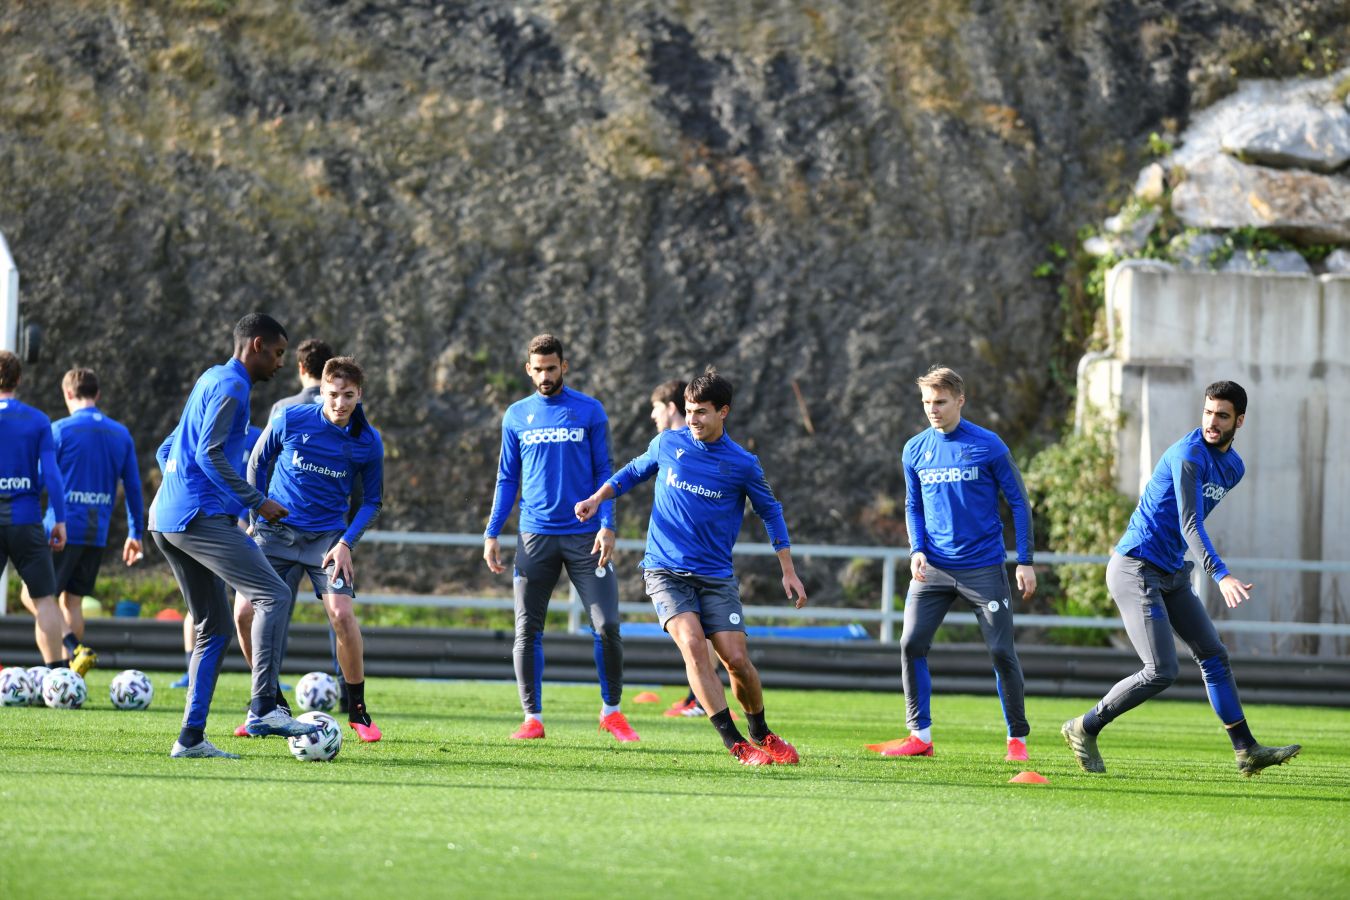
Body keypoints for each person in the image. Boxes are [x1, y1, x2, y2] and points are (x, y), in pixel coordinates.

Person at [1062, 381, 1301, 777]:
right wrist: (1219, 573)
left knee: (1213, 654)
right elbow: (1190, 523)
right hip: (1136, 567)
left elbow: (1187, 526)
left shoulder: (1234, 468)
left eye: (1222, 415)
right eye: (1208, 412)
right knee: (1161, 670)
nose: (1212, 421)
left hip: (1171, 572)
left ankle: (1246, 750)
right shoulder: (1188, 455)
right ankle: (1083, 727)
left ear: (1239, 421)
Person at [575, 370, 806, 766]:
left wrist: (787, 569)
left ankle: (761, 732)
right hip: (664, 571)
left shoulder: (743, 463)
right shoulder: (668, 443)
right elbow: (631, 473)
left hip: (715, 576)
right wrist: (597, 498)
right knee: (694, 646)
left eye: (701, 412)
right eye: (688, 411)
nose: (693, 419)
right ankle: (736, 745)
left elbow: (771, 512)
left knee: (736, 660)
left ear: (723, 412)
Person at [150, 313, 317, 759]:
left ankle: (190, 738)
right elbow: (208, 454)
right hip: (197, 518)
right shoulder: (233, 386)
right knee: (274, 595)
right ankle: (264, 707)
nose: (280, 363)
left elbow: (168, 449)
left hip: (167, 517)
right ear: (257, 345)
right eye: (278, 353)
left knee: (215, 628)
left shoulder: (211, 378)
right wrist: (256, 501)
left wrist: (178, 489)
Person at [870, 366, 1035, 762]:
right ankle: (920, 736)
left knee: (1001, 651)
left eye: (941, 402)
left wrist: (1025, 560)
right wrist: (916, 549)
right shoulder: (914, 449)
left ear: (960, 400)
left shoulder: (989, 445)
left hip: (984, 567)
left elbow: (1019, 503)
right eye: (927, 402)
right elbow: (913, 505)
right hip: (934, 568)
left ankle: (1016, 739)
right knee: (911, 644)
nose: (933, 409)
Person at [483, 333, 638, 743]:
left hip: (586, 537)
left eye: (552, 368)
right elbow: (507, 478)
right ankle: (532, 718)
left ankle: (612, 712)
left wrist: (608, 524)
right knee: (526, 630)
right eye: (538, 369)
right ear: (528, 369)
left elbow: (605, 471)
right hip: (535, 537)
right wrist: (492, 531)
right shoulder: (516, 415)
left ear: (564, 366)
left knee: (607, 626)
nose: (545, 376)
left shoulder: (589, 410)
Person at [243, 356, 384, 742]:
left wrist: (346, 543)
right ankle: (267, 704)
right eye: (333, 394)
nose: (340, 403)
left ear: (359, 395)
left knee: (341, 615)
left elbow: (373, 501)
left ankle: (357, 709)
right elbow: (257, 462)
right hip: (275, 534)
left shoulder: (368, 440)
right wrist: (257, 512)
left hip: (327, 541)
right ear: (321, 391)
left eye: (348, 395)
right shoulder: (291, 418)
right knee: (243, 613)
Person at [29, 368, 146, 675]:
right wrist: (135, 532)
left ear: (68, 393)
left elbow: (39, 480)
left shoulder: (59, 430)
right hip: (97, 532)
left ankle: (70, 651)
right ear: (98, 394)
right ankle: (71, 675)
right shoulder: (120, 433)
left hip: (60, 530)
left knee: (34, 595)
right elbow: (133, 487)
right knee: (72, 603)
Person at [648, 379, 730, 721]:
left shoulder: (684, 442)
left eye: (656, 408)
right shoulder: (668, 445)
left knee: (702, 637)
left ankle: (700, 700)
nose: (653, 416)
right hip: (678, 558)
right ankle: (696, 697)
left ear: (670, 408)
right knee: (695, 636)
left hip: (700, 560)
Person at [0, 350, 71, 671]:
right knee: (44, 599)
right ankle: (56, 677)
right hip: (26, 519)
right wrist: (60, 520)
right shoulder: (38, 419)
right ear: (18, 379)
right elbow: (52, 475)